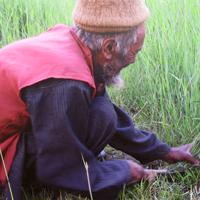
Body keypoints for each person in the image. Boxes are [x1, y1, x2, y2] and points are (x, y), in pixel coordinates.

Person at [0, 0, 199, 199]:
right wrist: (121, 172)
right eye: (134, 52)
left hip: (22, 127)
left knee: (103, 112)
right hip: (4, 151)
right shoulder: (66, 82)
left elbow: (113, 119)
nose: (134, 60)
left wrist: (163, 151)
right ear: (109, 47)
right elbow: (57, 167)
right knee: (99, 118)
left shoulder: (71, 45)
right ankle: (33, 183)